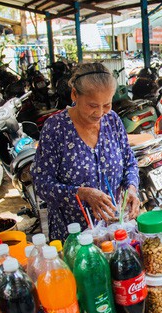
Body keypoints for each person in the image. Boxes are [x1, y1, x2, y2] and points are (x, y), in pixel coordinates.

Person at [32, 62, 141, 241]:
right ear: (75, 94)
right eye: (92, 105)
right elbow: (42, 184)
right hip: (73, 236)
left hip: (114, 231)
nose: (99, 113)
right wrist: (81, 193)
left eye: (106, 104)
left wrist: (131, 188)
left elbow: (129, 162)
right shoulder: (56, 128)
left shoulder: (112, 120)